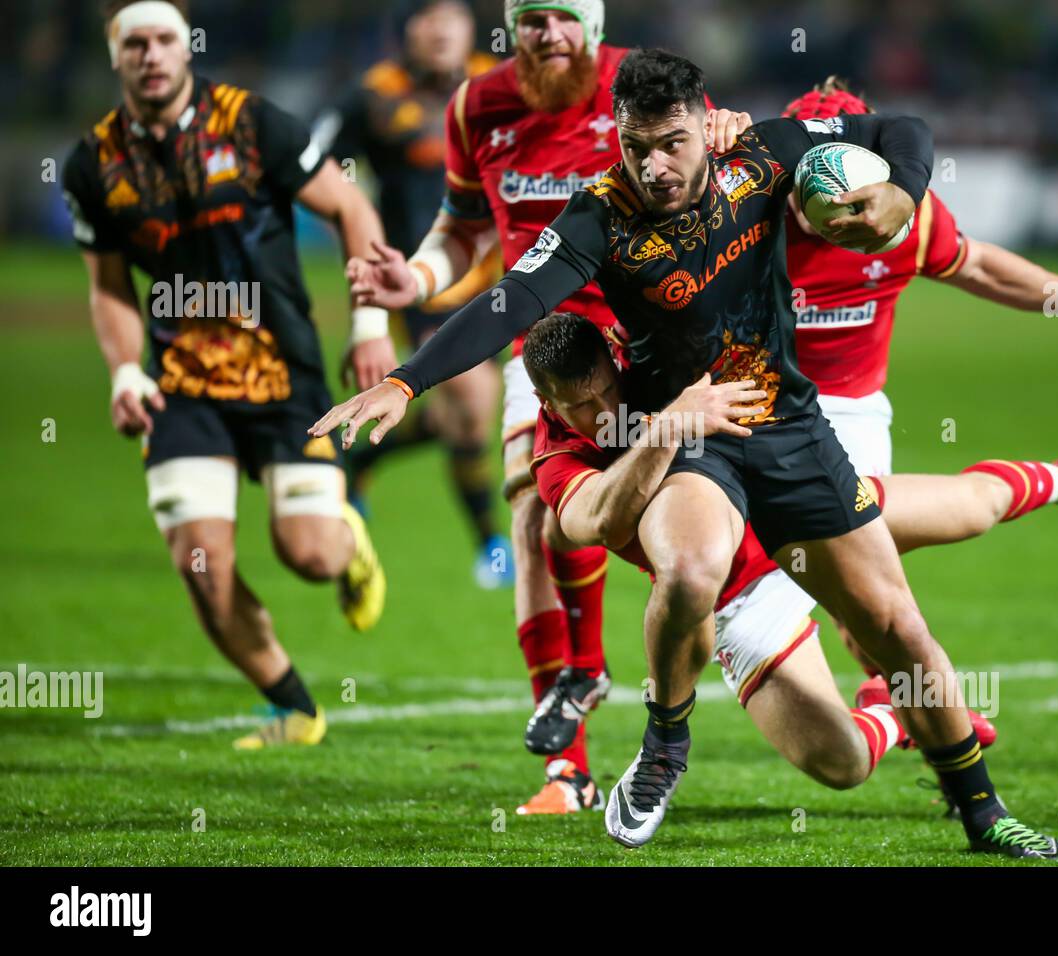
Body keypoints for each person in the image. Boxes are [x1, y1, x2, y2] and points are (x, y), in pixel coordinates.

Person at [312, 48, 1058, 858]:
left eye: (671, 142)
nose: (654, 165)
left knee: (898, 628)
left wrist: (901, 191)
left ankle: (984, 814)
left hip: (787, 424)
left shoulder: (766, 155)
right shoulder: (597, 215)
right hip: (687, 430)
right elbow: (511, 300)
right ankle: (665, 746)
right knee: (689, 567)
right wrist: (404, 382)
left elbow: (901, 127)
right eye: (636, 147)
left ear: (705, 123)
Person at [522, 312, 1058, 830]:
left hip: (792, 517)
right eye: (578, 405)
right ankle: (892, 711)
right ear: (544, 402)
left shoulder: (653, 358)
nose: (600, 411)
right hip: (743, 601)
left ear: (614, 354)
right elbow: (598, 521)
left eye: (606, 389)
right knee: (842, 765)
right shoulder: (556, 457)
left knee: (972, 508)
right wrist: (668, 427)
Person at [342, 3, 751, 814]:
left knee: (708, 532)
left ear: (592, 28)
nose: (552, 33)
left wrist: (730, 131)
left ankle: (834, 656)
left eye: (568, 17)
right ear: (513, 27)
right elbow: (462, 231)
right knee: (531, 510)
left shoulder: (640, 90)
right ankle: (566, 761)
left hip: (655, 341)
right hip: (552, 350)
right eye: (534, 18)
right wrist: (415, 283)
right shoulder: (477, 107)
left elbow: (721, 170)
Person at [63, 0, 390, 748]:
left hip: (283, 371)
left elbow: (349, 207)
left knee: (307, 553)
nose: (151, 55)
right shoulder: (94, 163)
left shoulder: (251, 125)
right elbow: (109, 284)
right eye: (135, 44)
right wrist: (121, 373)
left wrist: (370, 324)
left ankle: (348, 542)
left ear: (188, 48)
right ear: (116, 57)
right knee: (201, 565)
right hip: (179, 385)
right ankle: (294, 705)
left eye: (165, 40)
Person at [783, 76, 1058, 685]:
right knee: (841, 580)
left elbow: (979, 266)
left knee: (860, 583)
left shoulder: (900, 217)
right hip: (758, 413)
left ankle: (915, 713)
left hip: (853, 413)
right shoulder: (737, 222)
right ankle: (918, 709)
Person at [314, 0, 511, 588]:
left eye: (452, 16)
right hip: (418, 279)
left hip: (498, 277)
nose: (441, 28)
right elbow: (312, 165)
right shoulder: (373, 96)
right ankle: (491, 545)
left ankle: (359, 457)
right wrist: (355, 226)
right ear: (406, 31)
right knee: (474, 406)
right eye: (427, 17)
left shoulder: (498, 85)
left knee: (468, 416)